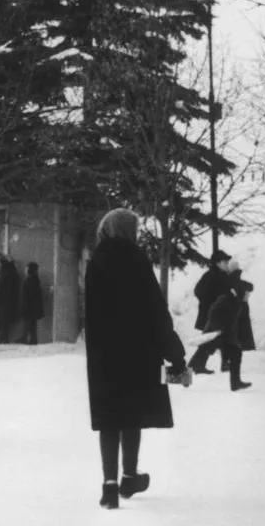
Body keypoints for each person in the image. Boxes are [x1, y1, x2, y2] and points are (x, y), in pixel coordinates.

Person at [85, 208, 189, 510]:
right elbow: (155, 309)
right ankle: (129, 475)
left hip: (104, 354)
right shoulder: (136, 259)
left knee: (109, 417)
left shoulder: (96, 263)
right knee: (131, 415)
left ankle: (109, 485)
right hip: (138, 353)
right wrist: (174, 352)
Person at [188, 251, 234, 374]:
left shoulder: (221, 275)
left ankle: (222, 364)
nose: (227, 264)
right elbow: (199, 291)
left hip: (218, 314)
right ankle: (187, 370)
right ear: (218, 263)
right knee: (210, 341)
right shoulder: (212, 276)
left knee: (216, 339)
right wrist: (211, 306)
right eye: (225, 262)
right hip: (213, 315)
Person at [0, 255, 22, 344]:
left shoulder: (5, 272)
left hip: (2, 302)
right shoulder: (13, 272)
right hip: (9, 302)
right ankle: (2, 338)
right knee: (3, 321)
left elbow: (0, 288)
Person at [20, 261, 45, 345]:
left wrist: (23, 306)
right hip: (34, 307)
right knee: (32, 325)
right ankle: (32, 340)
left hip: (29, 307)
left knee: (29, 325)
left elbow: (25, 296)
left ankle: (29, 339)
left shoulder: (28, 281)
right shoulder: (36, 280)